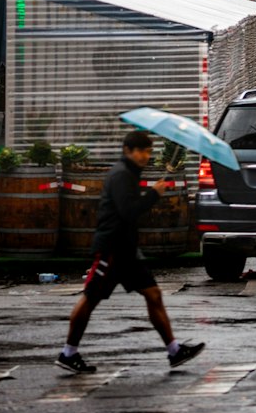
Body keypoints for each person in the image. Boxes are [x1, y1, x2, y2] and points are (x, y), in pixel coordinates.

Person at [58, 129, 205, 375]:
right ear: (128, 151)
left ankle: (174, 350)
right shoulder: (121, 175)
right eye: (142, 151)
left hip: (127, 251)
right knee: (90, 298)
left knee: (154, 294)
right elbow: (128, 211)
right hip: (112, 250)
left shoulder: (129, 173)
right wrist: (153, 194)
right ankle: (68, 353)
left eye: (148, 151)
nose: (146, 156)